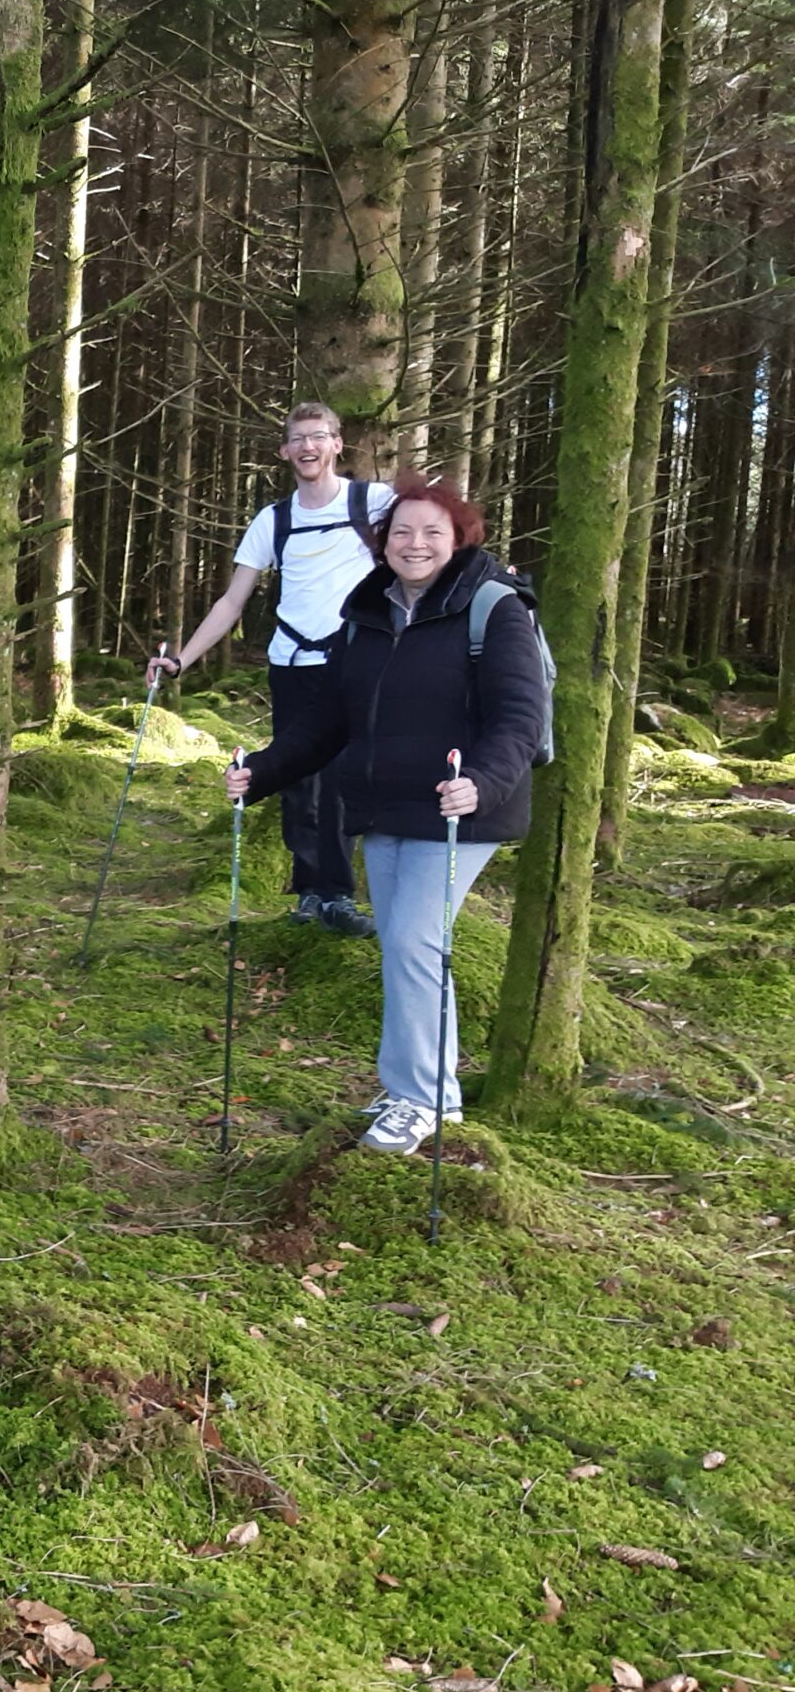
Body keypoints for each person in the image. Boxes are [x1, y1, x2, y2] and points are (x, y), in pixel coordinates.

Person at [226, 474, 548, 1154]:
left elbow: (522, 716)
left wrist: (483, 784)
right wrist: (261, 770)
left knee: (412, 941)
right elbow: (326, 720)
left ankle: (417, 1098)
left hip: (460, 807)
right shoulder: (367, 612)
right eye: (401, 531)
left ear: (458, 538)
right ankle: (434, 1092)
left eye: (433, 531)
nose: (415, 543)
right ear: (382, 540)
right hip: (385, 806)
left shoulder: (494, 607)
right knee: (411, 947)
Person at [152, 403, 394, 938]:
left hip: (351, 664)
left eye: (319, 437)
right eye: (298, 439)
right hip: (291, 665)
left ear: (337, 443)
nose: (308, 447)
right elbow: (231, 601)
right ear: (285, 451)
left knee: (339, 779)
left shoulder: (374, 503)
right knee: (293, 777)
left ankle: (337, 895)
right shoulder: (274, 520)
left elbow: (431, 540)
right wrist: (180, 661)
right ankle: (309, 891)